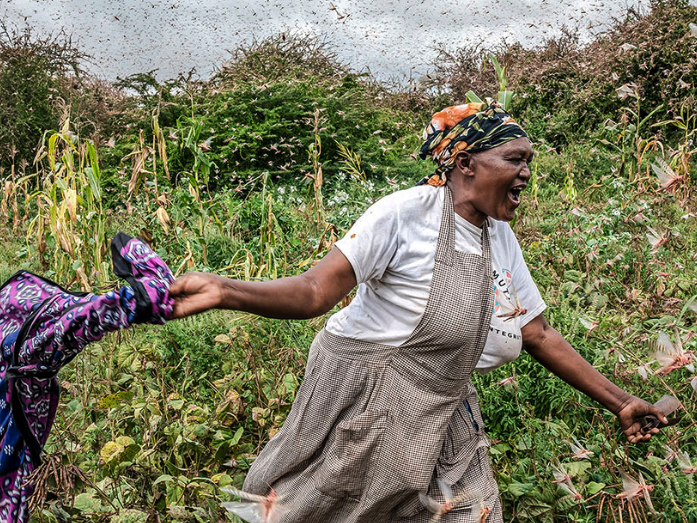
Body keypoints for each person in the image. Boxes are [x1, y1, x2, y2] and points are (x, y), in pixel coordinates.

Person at [168, 101, 667, 522]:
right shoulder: (403, 214)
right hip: (370, 395)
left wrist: (621, 402)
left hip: (447, 404)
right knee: (326, 510)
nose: (527, 173)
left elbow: (534, 332)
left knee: (473, 513)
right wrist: (226, 289)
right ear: (466, 162)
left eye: (529, 160)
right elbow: (313, 292)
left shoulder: (499, 235)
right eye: (515, 158)